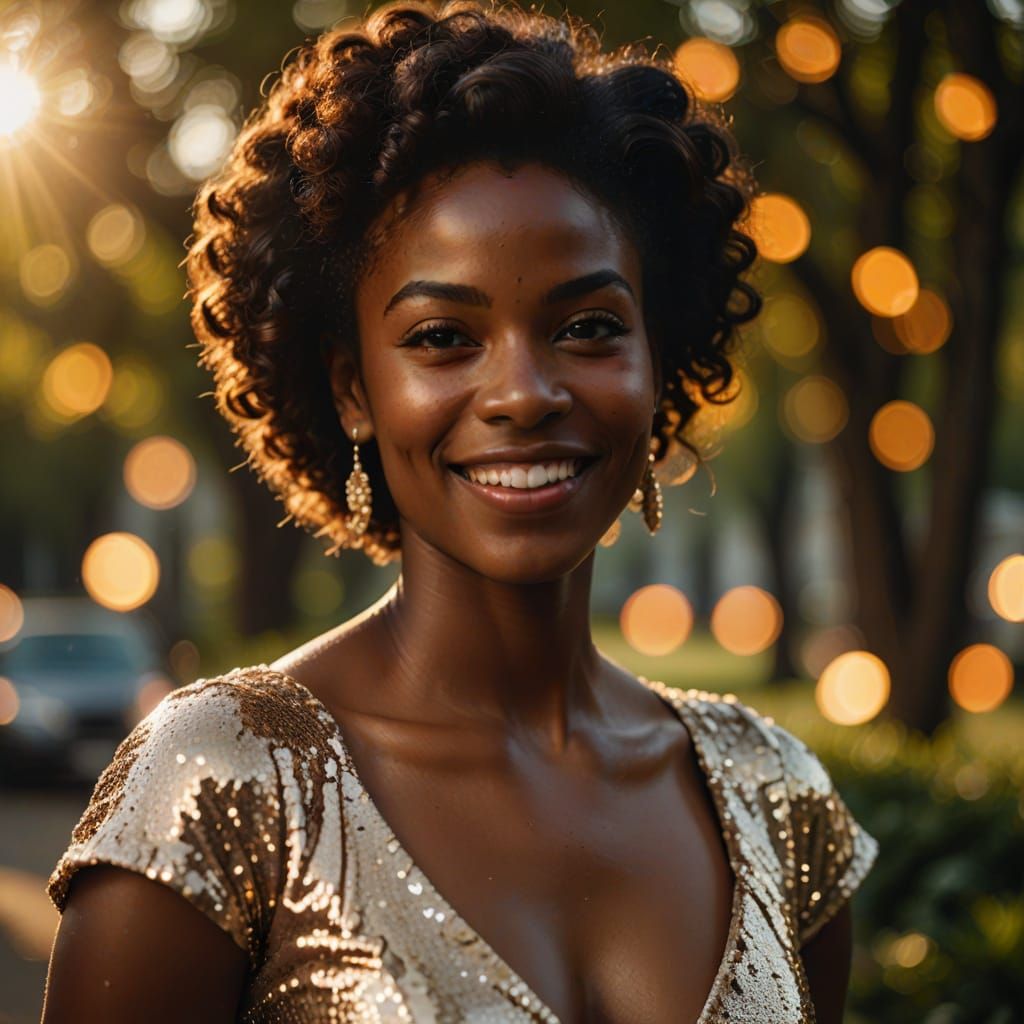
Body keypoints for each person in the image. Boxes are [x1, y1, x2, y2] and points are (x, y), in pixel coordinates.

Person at [41, 2, 878, 1021]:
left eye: (585, 325)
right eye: (443, 336)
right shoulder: (224, 783)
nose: (524, 392)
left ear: (657, 362)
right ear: (353, 388)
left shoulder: (774, 798)